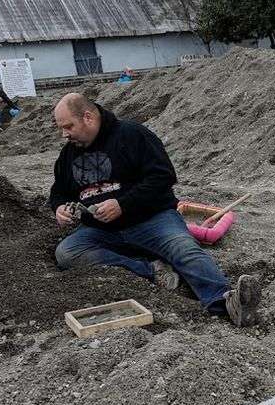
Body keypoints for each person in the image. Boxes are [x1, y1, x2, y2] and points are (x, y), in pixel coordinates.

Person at [49, 93, 260, 327]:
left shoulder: (132, 135)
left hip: (153, 220)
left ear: (88, 117)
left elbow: (163, 176)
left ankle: (226, 302)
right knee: (67, 253)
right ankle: (151, 269)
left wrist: (123, 204)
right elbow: (58, 191)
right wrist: (59, 207)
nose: (64, 134)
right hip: (102, 230)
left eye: (68, 126)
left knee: (184, 249)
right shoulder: (68, 154)